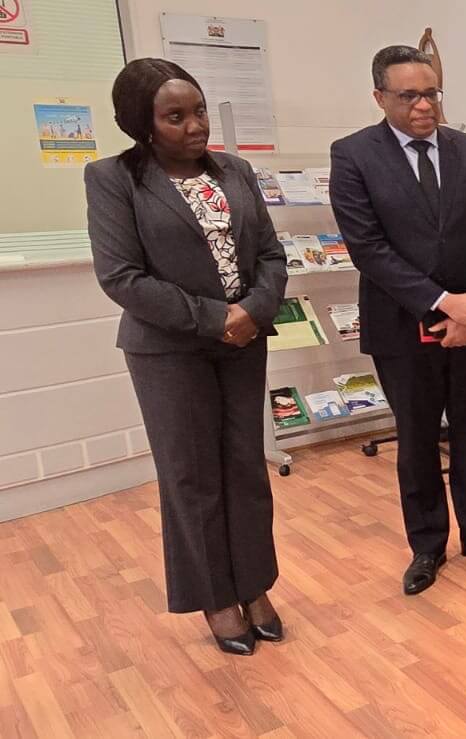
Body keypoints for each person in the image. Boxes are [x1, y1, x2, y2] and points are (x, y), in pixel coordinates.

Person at [86, 58, 288, 656]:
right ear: (143, 125)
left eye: (197, 111)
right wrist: (215, 318)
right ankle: (216, 599)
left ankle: (254, 586)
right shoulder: (113, 178)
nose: (195, 125)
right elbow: (121, 277)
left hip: (243, 342)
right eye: (175, 117)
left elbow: (272, 255)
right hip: (169, 350)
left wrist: (252, 310)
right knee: (193, 478)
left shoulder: (236, 171)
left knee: (246, 469)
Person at [328, 45, 466, 596]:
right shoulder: (352, 155)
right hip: (401, 324)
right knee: (416, 440)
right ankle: (428, 547)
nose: (423, 105)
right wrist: (444, 302)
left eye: (431, 92)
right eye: (408, 95)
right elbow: (368, 247)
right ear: (379, 98)